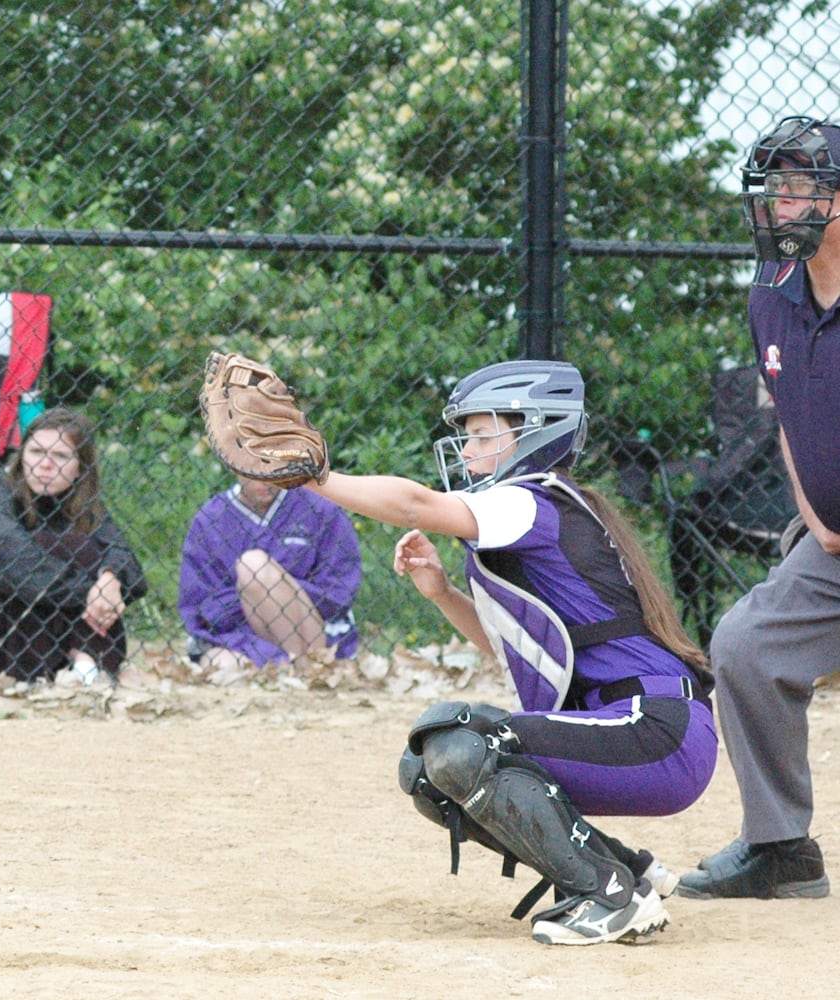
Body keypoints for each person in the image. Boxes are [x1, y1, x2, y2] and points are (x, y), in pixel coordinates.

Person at [301, 358, 715, 946]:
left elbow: (416, 505)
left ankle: (608, 894)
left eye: (481, 433)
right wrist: (442, 592)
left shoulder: (531, 501)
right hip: (645, 729)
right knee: (427, 770)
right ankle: (622, 870)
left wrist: (318, 478)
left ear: (536, 431)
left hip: (657, 730)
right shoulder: (545, 509)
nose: (467, 449)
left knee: (462, 744)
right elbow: (523, 650)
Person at [675, 115, 840, 901]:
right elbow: (787, 415)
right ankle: (780, 848)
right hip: (832, 547)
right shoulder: (772, 294)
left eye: (798, 188)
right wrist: (814, 517)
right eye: (772, 189)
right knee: (744, 643)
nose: (778, 206)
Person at [0, 407, 146, 685]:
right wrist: (94, 592)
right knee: (65, 549)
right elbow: (25, 570)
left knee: (87, 550)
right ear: (22, 456)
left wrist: (110, 579)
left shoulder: (86, 506)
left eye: (61, 456)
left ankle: (83, 665)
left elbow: (128, 564)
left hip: (62, 628)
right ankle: (87, 665)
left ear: (81, 468)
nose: (45, 465)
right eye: (36, 452)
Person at [178, 472, 362, 672]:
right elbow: (201, 606)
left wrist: (277, 588)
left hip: (311, 634)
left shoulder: (319, 507)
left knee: (253, 567)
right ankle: (283, 669)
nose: (263, 480)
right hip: (240, 637)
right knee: (222, 668)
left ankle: (307, 671)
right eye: (251, 470)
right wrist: (249, 596)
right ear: (233, 466)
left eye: (270, 469)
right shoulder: (210, 518)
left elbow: (338, 592)